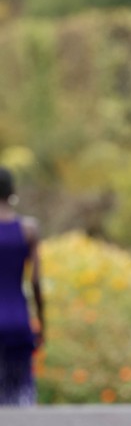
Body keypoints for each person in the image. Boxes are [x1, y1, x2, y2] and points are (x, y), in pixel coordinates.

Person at [0, 167, 44, 406]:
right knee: (18, 398)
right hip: (17, 318)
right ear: (11, 192)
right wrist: (42, 323)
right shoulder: (28, 229)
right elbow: (36, 281)